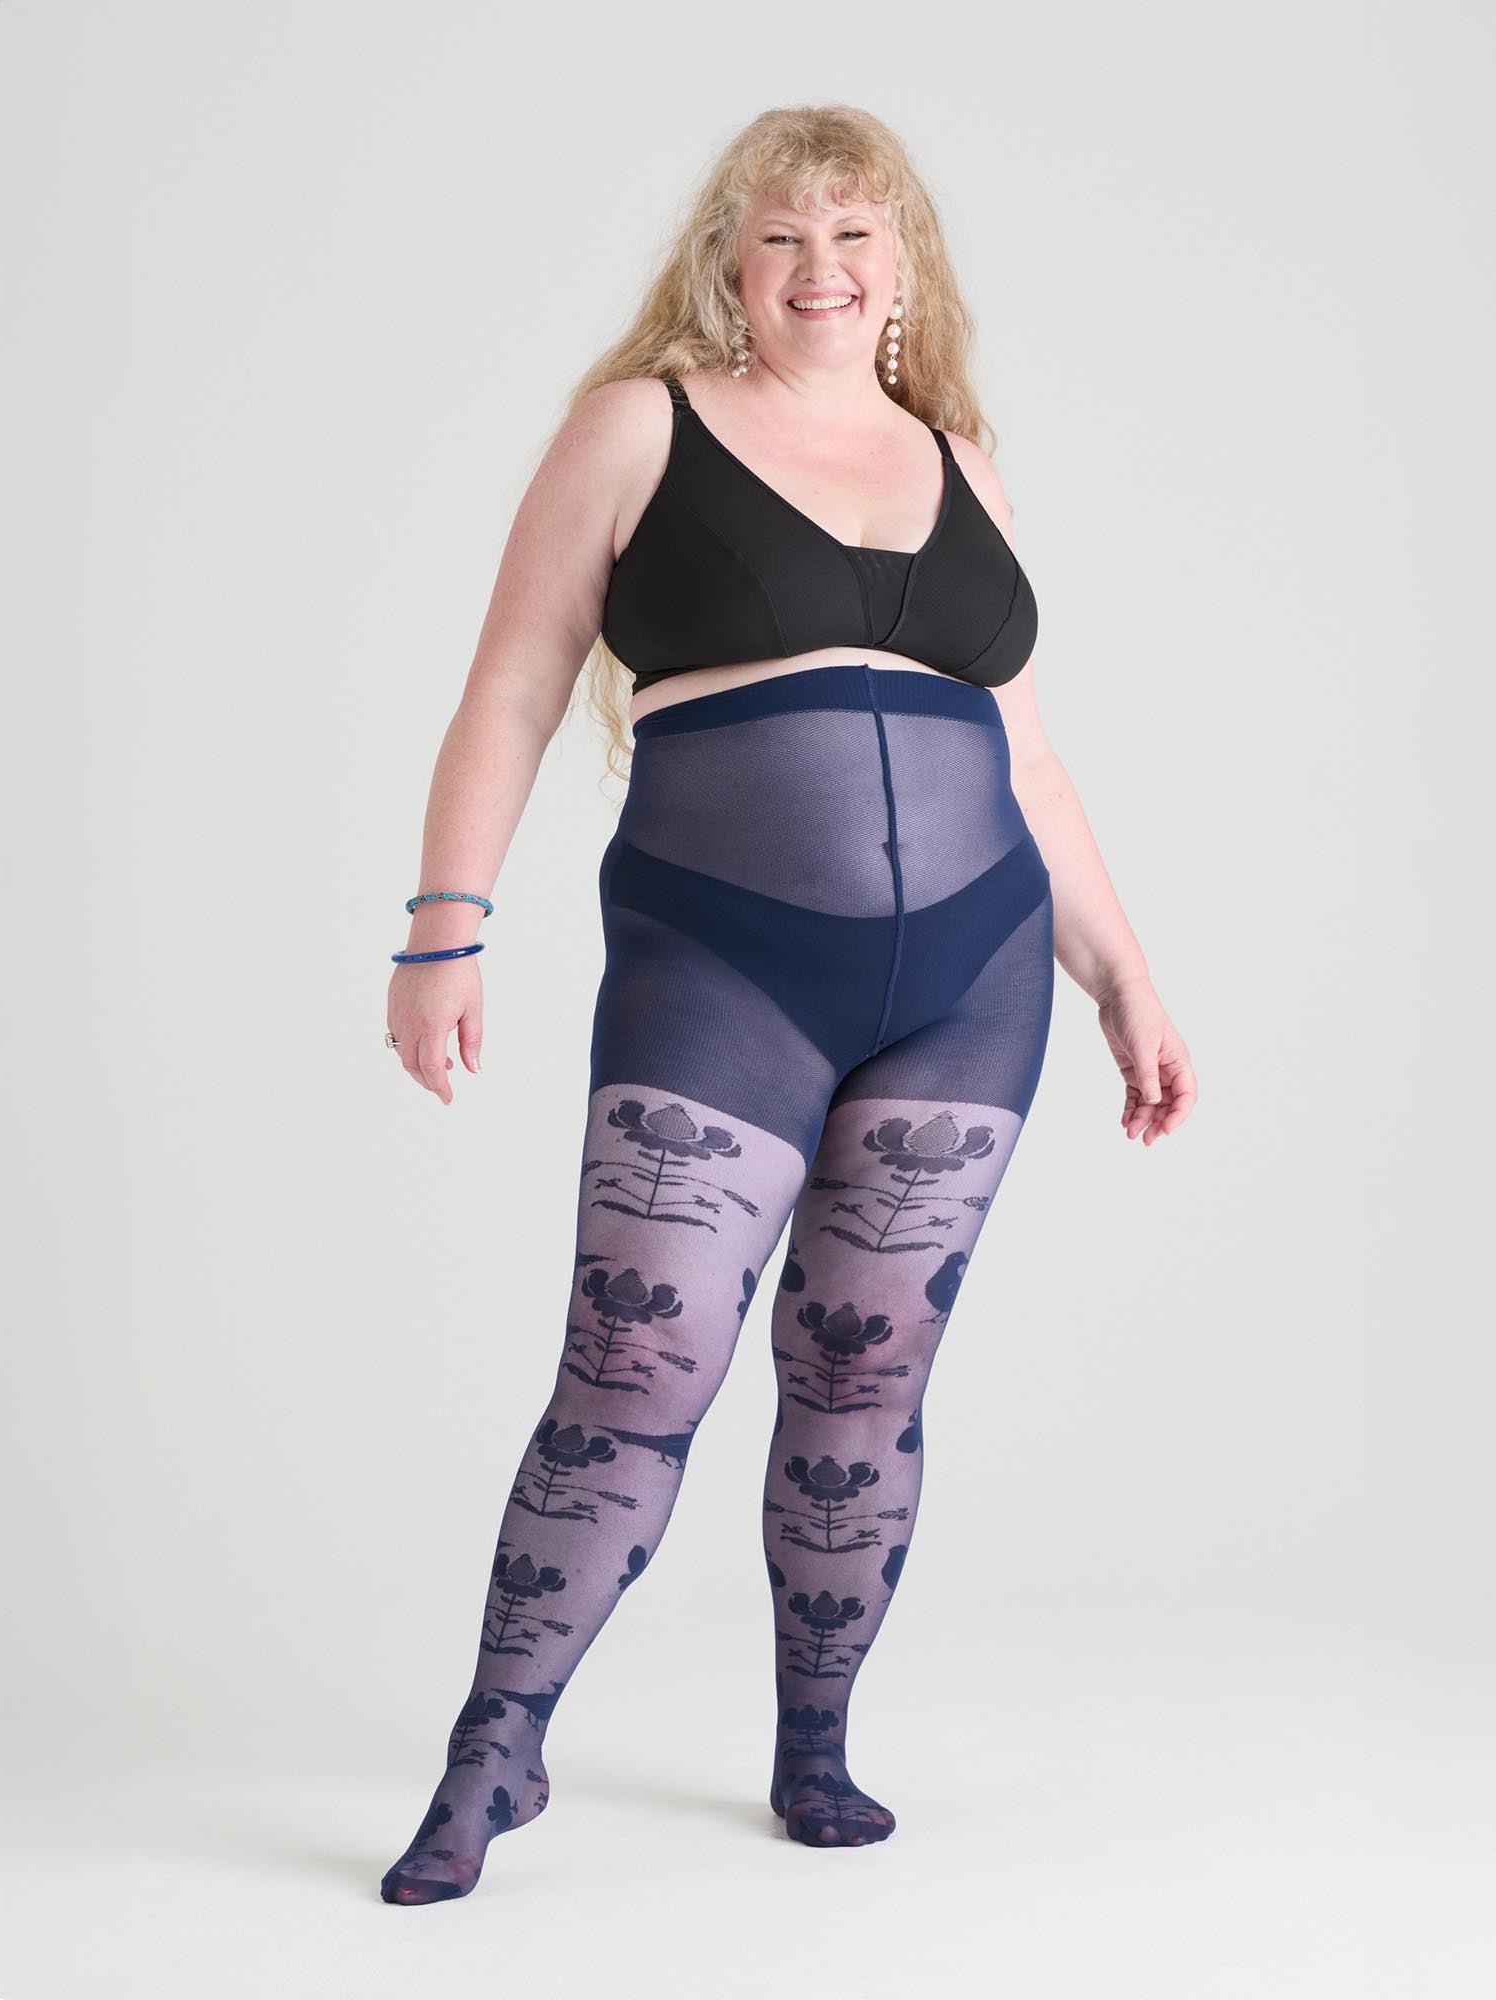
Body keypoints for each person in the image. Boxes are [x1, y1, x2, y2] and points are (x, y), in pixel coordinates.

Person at [379, 103, 1197, 1905]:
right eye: (782, 237)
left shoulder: (963, 462)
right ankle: (495, 1750)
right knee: (633, 1368)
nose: (821, 269)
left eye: (856, 235)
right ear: (728, 265)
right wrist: (445, 929)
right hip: (725, 959)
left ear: (904, 266)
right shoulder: (638, 428)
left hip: (975, 975)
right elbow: (514, 683)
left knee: (865, 1377)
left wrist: (1127, 977)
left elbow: (1032, 760)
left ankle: (815, 1743)